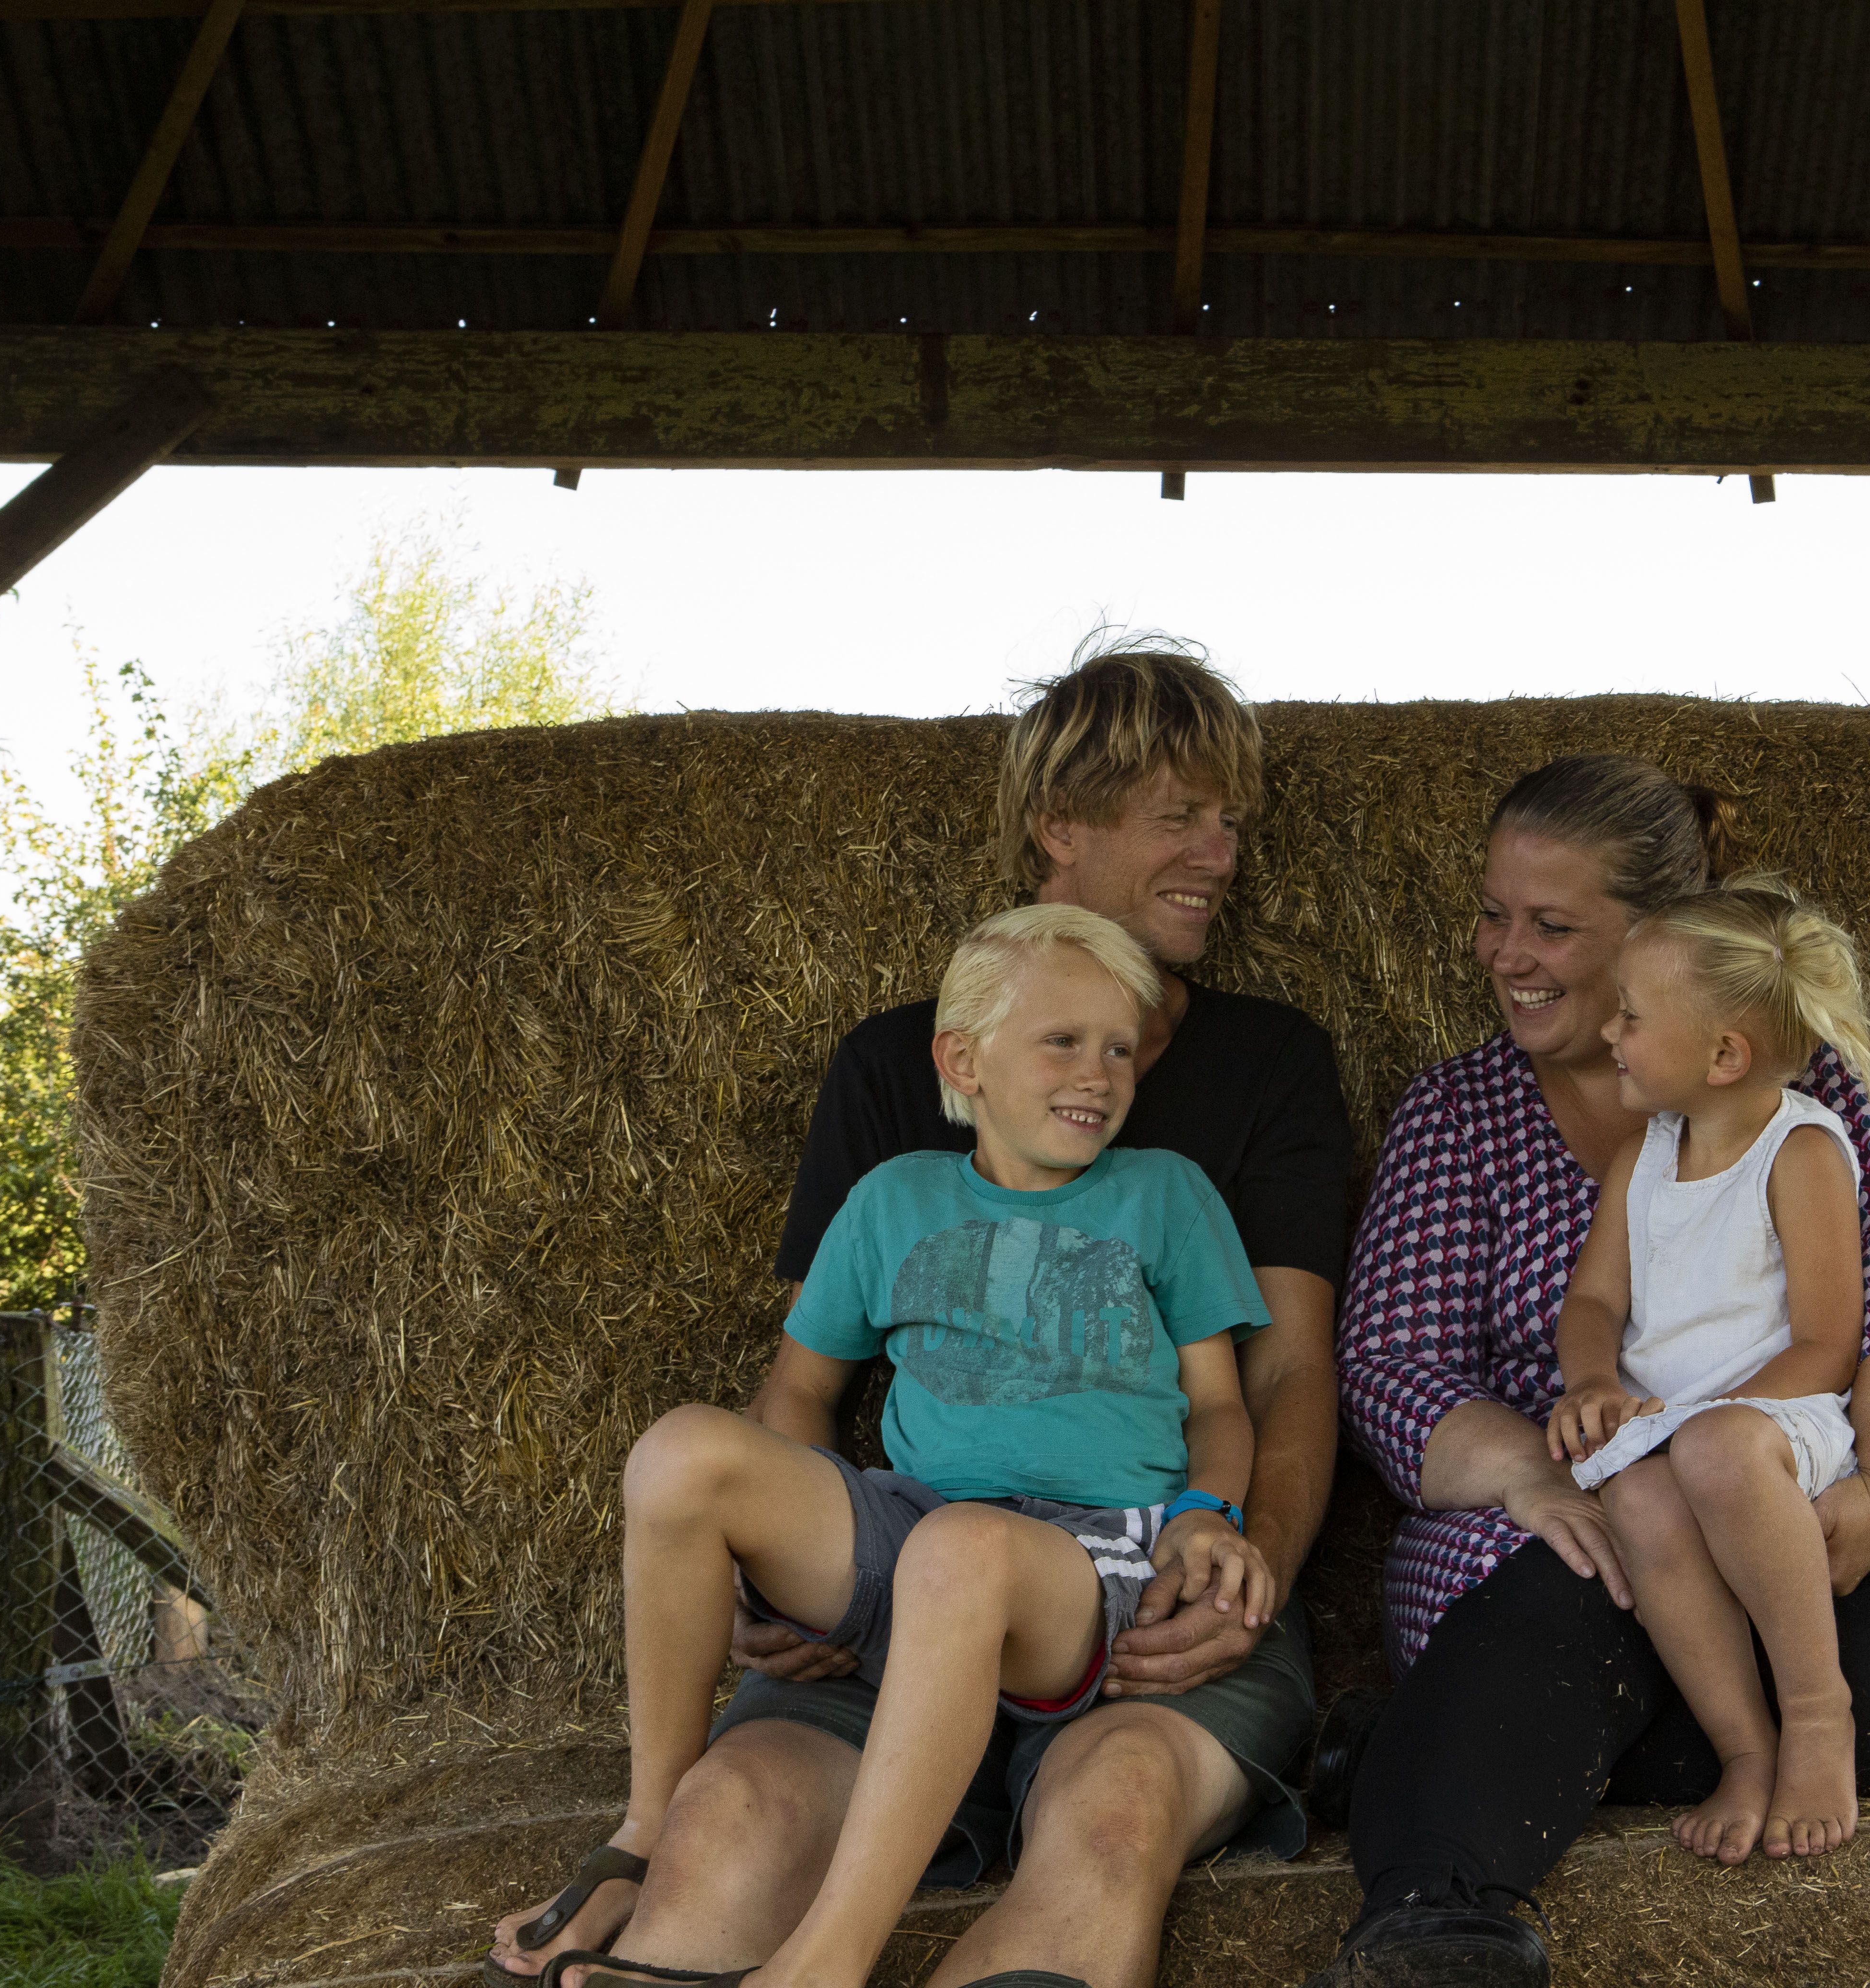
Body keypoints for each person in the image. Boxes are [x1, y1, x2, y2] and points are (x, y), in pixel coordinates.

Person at [489, 640, 1353, 1988]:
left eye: (1233, 820)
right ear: (1058, 826)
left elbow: (1282, 1373)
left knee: (1114, 1823)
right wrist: (775, 1572)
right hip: (913, 1575)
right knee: (731, 1820)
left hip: (1143, 1586)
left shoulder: (1263, 1072)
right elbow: (805, 1388)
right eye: (1181, 815)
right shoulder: (898, 1076)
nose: (1222, 852)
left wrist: (1237, 1554)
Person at [1307, 755, 1870, 1988]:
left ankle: (1461, 1754)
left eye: (1552, 926)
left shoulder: (1811, 1099)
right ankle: (1437, 1911)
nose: (1507, 954)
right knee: (1576, 1595)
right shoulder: (1458, 1115)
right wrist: (1542, 1481)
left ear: (1664, 941)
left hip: (1766, 1499)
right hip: (1556, 1523)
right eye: (1494, 915)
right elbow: (1395, 1362)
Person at [1547, 879, 1870, 1866]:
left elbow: (1830, 1340)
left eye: (1631, 1015)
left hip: (1780, 1424)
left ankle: (1820, 1716)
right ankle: (1746, 1749)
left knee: (1718, 1454)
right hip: (1666, 1427)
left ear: (1724, 1054)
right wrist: (1590, 1383)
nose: (1608, 1029)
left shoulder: (1801, 1150)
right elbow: (1594, 1302)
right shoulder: (1644, 1158)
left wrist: (1708, 1420)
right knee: (1644, 1502)